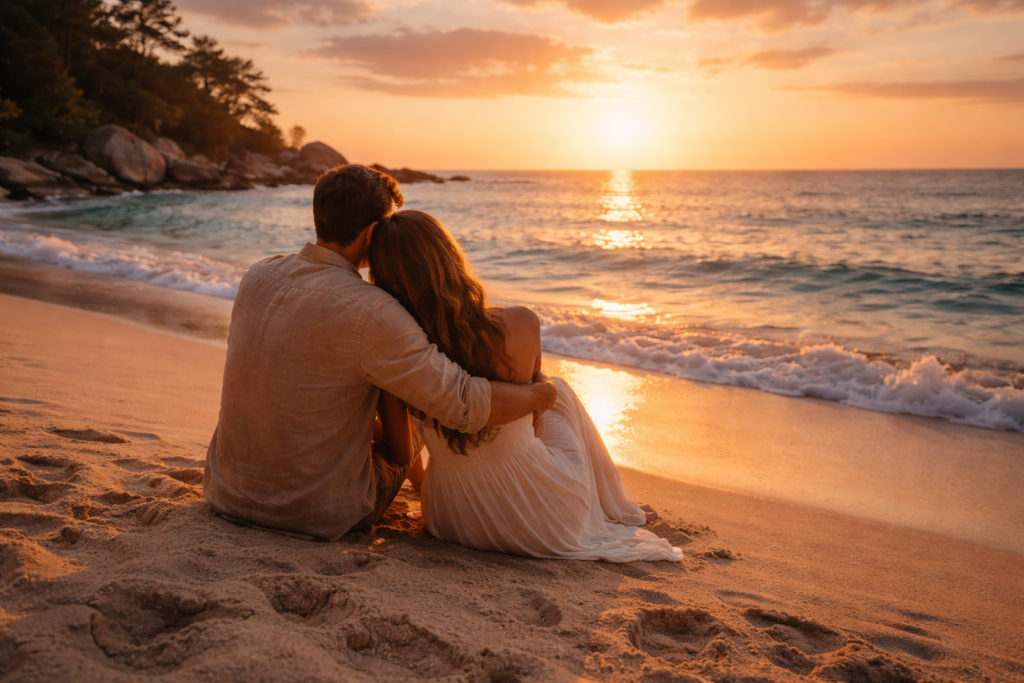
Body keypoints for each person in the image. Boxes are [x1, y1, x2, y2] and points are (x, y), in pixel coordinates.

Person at [204, 165, 558, 541]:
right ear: (374, 234)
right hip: (316, 511)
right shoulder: (372, 311)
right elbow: (464, 404)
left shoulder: (258, 274)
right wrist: (543, 394)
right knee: (425, 409)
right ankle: (432, 486)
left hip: (228, 492)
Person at [368, 210, 683, 563]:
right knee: (557, 389)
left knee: (542, 393)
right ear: (448, 258)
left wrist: (423, 485)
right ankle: (610, 505)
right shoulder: (517, 323)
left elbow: (400, 449)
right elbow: (535, 417)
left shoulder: (399, 351)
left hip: (450, 516)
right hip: (545, 518)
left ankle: (601, 502)